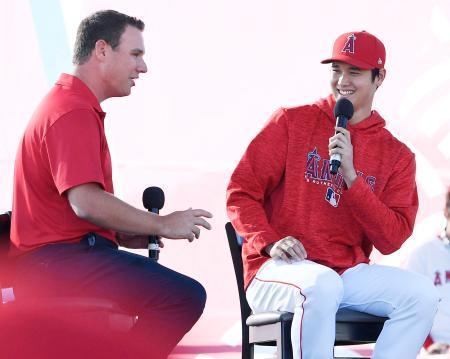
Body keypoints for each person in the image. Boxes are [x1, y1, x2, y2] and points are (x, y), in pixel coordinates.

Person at [10, 10, 212, 359]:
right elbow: (86, 202)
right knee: (182, 296)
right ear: (101, 50)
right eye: (135, 54)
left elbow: (74, 209)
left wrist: (118, 234)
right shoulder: (71, 110)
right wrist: (161, 223)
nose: (143, 67)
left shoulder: (69, 105)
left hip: (56, 261)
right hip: (56, 264)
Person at [226, 30, 439, 358]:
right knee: (321, 286)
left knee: (422, 295)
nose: (343, 81)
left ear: (379, 77)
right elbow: (241, 193)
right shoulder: (291, 121)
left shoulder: (397, 155)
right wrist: (269, 240)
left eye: (354, 72)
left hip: (344, 272)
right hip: (278, 268)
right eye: (336, 70)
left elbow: (392, 238)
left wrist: (353, 179)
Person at [405, 188, 450, 356]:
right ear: (446, 210)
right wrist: (429, 344)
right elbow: (411, 306)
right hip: (437, 350)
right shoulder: (423, 254)